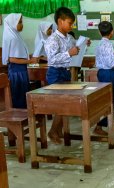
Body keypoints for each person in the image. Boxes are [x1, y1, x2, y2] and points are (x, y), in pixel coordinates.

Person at [44, 7, 84, 144]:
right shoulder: (52, 39)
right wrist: (69, 53)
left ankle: (57, 131)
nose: (71, 26)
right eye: (69, 23)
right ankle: (52, 131)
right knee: (61, 104)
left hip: (66, 72)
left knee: (65, 103)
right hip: (55, 72)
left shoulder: (69, 37)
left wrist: (83, 44)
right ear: (60, 21)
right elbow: (52, 59)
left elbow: (75, 47)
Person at [2, 13, 39, 109]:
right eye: (20, 22)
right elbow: (12, 59)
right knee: (19, 95)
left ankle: (25, 115)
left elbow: (19, 55)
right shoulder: (12, 37)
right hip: (16, 71)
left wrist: (30, 58)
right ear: (13, 23)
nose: (22, 25)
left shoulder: (16, 35)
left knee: (23, 93)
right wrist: (30, 61)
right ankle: (19, 116)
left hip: (21, 70)